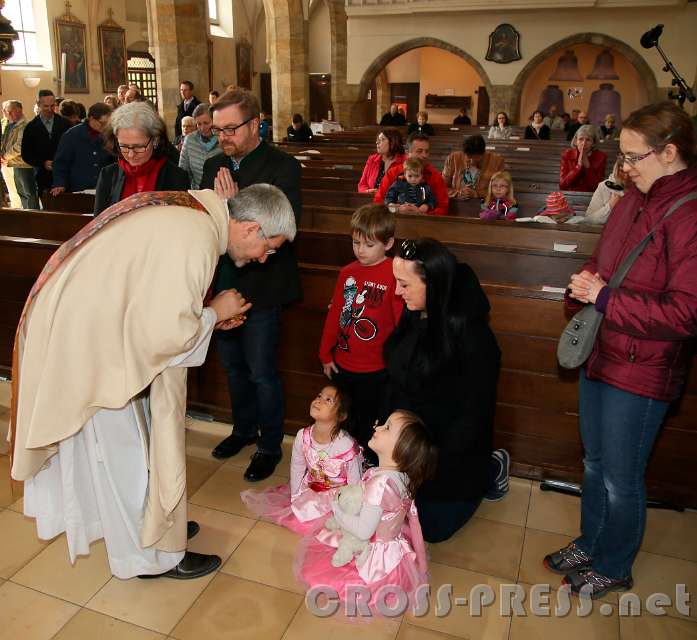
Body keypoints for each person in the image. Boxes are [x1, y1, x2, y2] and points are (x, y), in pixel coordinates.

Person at [10, 183, 296, 580]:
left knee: (136, 446)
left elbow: (154, 303)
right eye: (271, 247)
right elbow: (168, 337)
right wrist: (212, 314)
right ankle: (146, 557)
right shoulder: (194, 236)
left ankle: (159, 528)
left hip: (97, 337)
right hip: (93, 350)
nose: (266, 258)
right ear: (249, 228)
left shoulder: (193, 213)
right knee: (123, 455)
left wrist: (206, 315)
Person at [544, 101, 697, 599]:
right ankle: (591, 542)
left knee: (620, 477)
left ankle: (615, 563)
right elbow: (604, 256)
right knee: (593, 462)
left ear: (669, 152)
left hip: (644, 368)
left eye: (634, 156)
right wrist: (584, 283)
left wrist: (605, 297)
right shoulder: (633, 196)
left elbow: (684, 313)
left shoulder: (689, 213)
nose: (624, 167)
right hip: (602, 351)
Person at [201, 88, 302, 482]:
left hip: (263, 285)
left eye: (231, 128)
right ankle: (242, 430)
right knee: (233, 368)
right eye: (218, 129)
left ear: (255, 123)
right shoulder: (213, 165)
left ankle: (269, 443)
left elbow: (282, 231)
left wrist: (235, 203)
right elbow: (208, 224)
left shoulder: (283, 166)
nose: (223, 136)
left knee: (261, 370)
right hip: (224, 283)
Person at [384, 239, 510, 542]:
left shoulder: (473, 337)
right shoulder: (415, 311)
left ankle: (493, 467)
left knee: (429, 531)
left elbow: (472, 417)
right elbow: (396, 378)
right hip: (414, 445)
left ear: (435, 285)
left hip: (450, 455)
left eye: (404, 284)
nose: (397, 292)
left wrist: (428, 463)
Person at [297, 410, 437, 611]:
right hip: (393, 545)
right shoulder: (403, 477)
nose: (377, 427)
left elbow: (364, 531)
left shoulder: (379, 486)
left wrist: (337, 509)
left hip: (372, 551)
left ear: (401, 448)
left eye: (387, 427)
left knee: (329, 562)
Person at [318, 204, 403, 459]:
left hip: (376, 369)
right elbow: (336, 315)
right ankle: (341, 462)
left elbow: (401, 324)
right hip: (344, 364)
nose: (360, 251)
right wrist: (325, 353)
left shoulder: (394, 274)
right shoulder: (348, 273)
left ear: (388, 243)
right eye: (356, 243)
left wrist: (397, 365)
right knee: (343, 420)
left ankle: (367, 465)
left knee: (369, 422)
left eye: (368, 245)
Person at [241, 384, 362, 534]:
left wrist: (350, 512)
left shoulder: (346, 446)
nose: (319, 401)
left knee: (331, 527)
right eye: (319, 396)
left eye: (328, 400)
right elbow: (297, 465)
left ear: (341, 416)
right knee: (302, 513)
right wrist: (296, 495)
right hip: (311, 487)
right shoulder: (302, 436)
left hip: (338, 495)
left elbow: (355, 483)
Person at [94, 102, 190, 215]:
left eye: (139, 147)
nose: (130, 155)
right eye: (124, 146)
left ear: (155, 141)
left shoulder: (176, 177)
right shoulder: (108, 175)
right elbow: (98, 225)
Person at [374, 132, 449, 216]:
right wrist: (395, 210)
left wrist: (423, 213)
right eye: (419, 151)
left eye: (427, 151)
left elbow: (443, 207)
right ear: (407, 152)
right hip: (395, 222)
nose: (424, 155)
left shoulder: (435, 176)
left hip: (425, 225)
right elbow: (378, 202)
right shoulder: (393, 173)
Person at [50, 102, 113, 195]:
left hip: (104, 187)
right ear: (91, 118)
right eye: (102, 123)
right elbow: (61, 162)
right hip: (79, 188)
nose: (105, 127)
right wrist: (60, 183)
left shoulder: (110, 134)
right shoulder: (72, 135)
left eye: (108, 123)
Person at [21, 89, 71, 203]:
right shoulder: (31, 127)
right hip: (43, 177)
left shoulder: (65, 123)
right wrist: (43, 163)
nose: (49, 109)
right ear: (38, 104)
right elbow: (26, 154)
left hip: (65, 175)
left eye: (52, 106)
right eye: (46, 106)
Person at [0, 100, 39, 209]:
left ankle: (34, 216)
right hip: (14, 163)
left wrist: (4, 156)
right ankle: (25, 215)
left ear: (13, 112)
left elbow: (19, 146)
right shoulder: (10, 124)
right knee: (21, 193)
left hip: (24, 164)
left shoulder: (25, 125)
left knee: (29, 193)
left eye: (7, 111)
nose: (5, 114)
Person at [442, 134, 506, 200]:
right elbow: (441, 187)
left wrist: (476, 194)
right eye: (469, 157)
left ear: (483, 153)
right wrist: (457, 193)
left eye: (476, 157)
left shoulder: (497, 161)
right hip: (455, 203)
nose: (472, 161)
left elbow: (501, 189)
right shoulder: (453, 159)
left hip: (484, 205)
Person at [179, 103, 223, 189]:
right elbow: (183, 173)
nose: (202, 128)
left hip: (221, 193)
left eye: (206, 123)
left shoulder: (223, 138)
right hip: (198, 193)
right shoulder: (190, 140)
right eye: (199, 124)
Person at [559, 125, 608, 193]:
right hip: (571, 195)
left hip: (591, 196)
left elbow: (597, 188)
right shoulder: (567, 154)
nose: (584, 143)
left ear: (593, 143)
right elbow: (562, 185)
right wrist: (578, 167)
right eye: (580, 139)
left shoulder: (601, 157)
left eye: (588, 140)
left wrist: (588, 167)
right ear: (576, 141)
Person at [357, 128, 405, 193]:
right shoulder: (372, 159)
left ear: (393, 142)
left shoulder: (405, 161)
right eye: (378, 140)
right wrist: (368, 191)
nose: (377, 142)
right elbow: (362, 184)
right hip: (371, 199)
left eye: (382, 139)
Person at [584, 158, 627, 225]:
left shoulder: (643, 187)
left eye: (629, 172)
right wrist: (610, 206)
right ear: (616, 170)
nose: (626, 176)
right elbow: (589, 220)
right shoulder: (604, 187)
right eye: (622, 171)